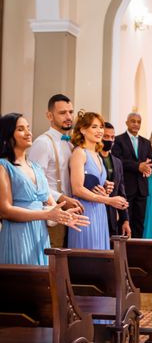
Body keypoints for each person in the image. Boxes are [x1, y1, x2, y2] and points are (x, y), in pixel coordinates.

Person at [0, 113, 87, 265]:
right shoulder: (3, 166)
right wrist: (46, 214)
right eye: (21, 129)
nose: (28, 133)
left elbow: (51, 205)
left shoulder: (37, 168)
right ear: (7, 135)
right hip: (18, 235)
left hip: (40, 235)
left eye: (28, 128)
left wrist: (64, 216)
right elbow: (5, 210)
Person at [29, 93, 84, 247]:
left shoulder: (70, 144)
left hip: (70, 213)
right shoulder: (43, 143)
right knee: (52, 260)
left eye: (70, 112)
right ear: (49, 116)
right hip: (51, 212)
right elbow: (35, 181)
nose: (68, 116)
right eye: (62, 113)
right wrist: (62, 198)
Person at [68, 112, 128, 250]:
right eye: (94, 127)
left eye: (101, 127)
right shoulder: (79, 153)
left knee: (99, 251)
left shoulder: (98, 156)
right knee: (87, 253)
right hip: (85, 211)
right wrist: (109, 200)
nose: (99, 131)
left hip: (99, 211)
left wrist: (106, 187)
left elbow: (93, 183)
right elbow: (77, 189)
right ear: (83, 130)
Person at [112, 112, 152, 237]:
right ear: (127, 123)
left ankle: (137, 253)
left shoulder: (146, 142)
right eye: (133, 121)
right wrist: (138, 166)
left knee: (139, 222)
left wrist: (148, 167)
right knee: (125, 221)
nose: (136, 124)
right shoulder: (119, 140)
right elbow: (117, 161)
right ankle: (124, 252)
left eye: (138, 122)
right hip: (126, 187)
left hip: (141, 189)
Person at [100, 122, 131, 237]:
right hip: (96, 212)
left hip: (112, 216)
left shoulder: (117, 162)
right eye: (106, 137)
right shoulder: (93, 158)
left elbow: (121, 191)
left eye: (112, 137)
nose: (110, 140)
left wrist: (125, 220)